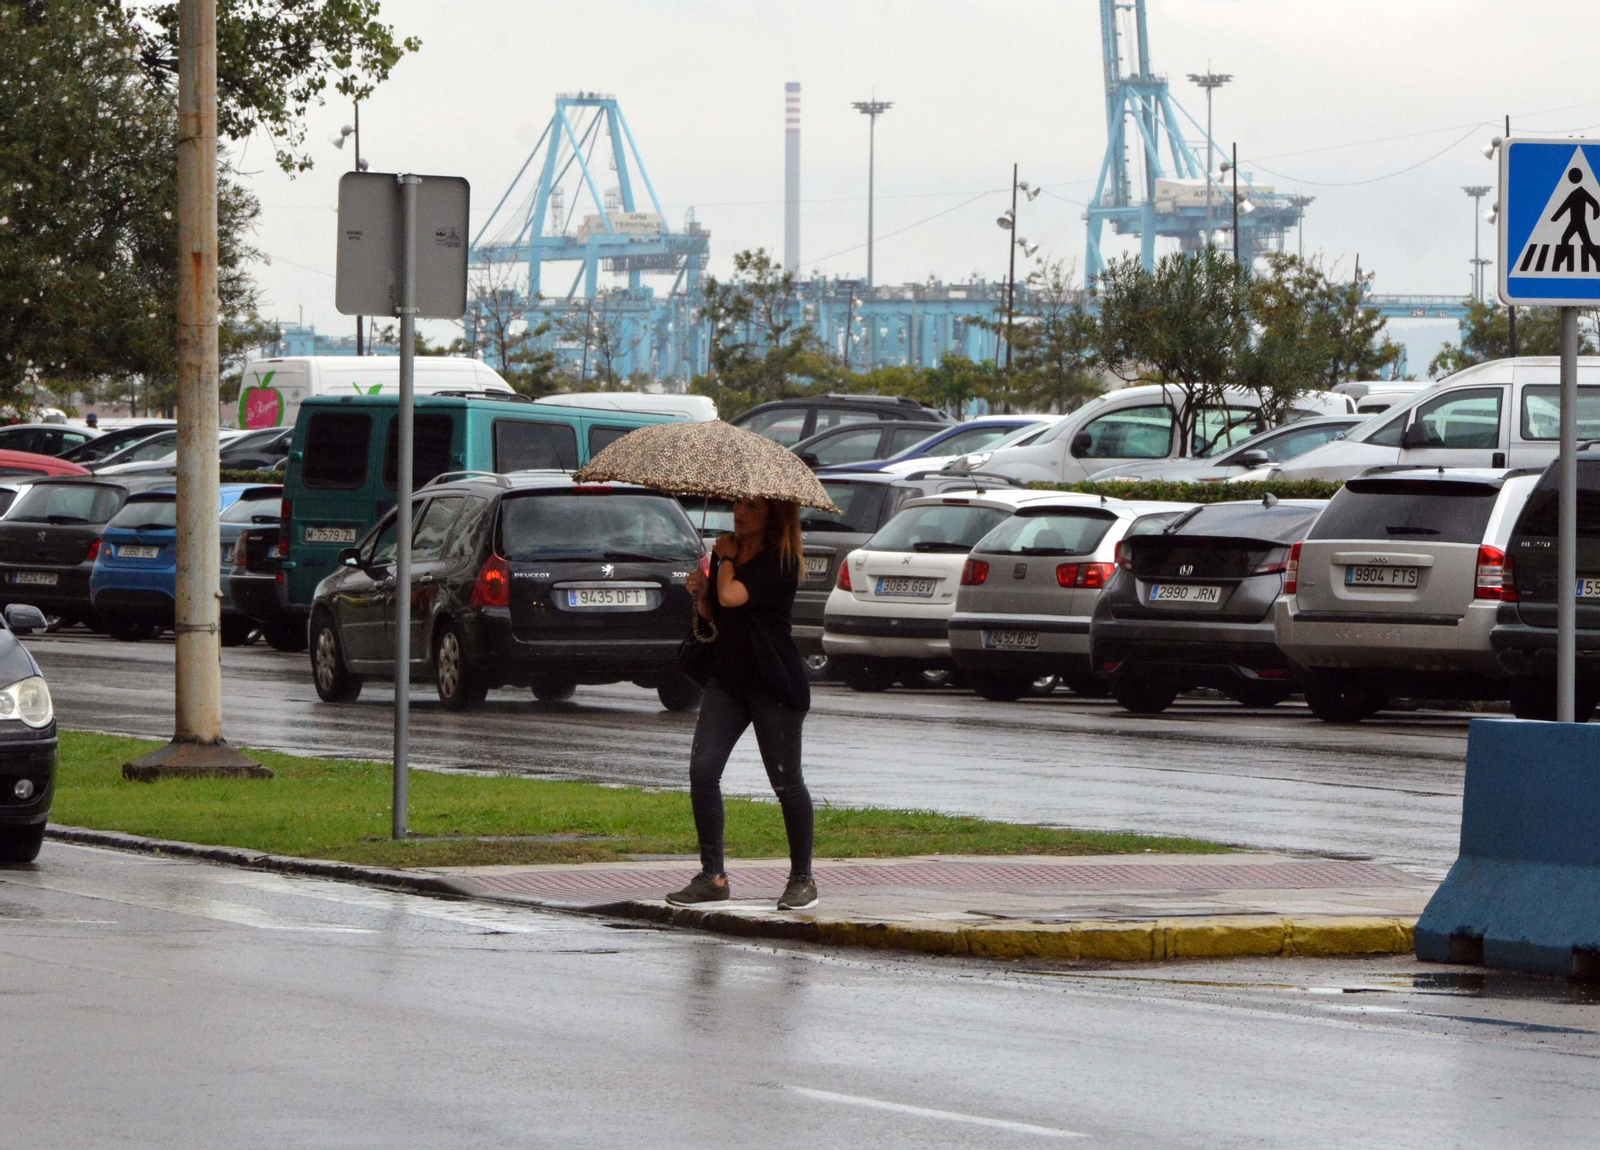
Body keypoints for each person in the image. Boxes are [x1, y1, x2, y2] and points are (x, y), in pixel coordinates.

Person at [667, 494, 817, 911]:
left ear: (773, 514)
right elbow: (717, 612)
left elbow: (733, 595)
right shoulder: (726, 553)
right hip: (728, 679)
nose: (740, 513)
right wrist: (700, 591)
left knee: (786, 781)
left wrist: (726, 561)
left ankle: (802, 879)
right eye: (737, 505)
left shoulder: (781, 559)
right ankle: (712, 875)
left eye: (751, 507)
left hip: (774, 682)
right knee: (703, 770)